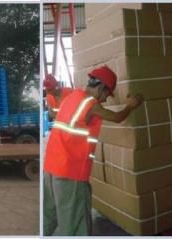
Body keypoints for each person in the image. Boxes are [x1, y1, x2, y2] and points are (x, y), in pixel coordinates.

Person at [43, 66, 144, 236]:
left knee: (50, 217)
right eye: (106, 94)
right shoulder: (90, 105)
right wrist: (130, 106)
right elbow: (117, 118)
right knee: (74, 223)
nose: (105, 99)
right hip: (70, 172)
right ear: (101, 87)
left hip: (51, 168)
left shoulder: (72, 96)